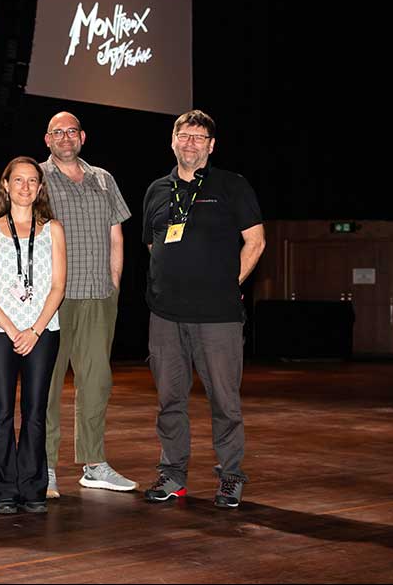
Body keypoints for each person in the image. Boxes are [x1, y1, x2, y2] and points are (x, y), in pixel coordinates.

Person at [141, 109, 265, 508]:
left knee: (224, 402)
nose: (190, 143)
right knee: (169, 401)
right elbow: (152, 244)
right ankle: (172, 475)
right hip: (165, 315)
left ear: (211, 146)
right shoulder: (157, 189)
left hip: (218, 317)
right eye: (184, 135)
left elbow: (256, 241)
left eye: (199, 137)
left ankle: (230, 476)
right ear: (172, 140)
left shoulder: (232, 186)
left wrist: (230, 283)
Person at [41, 111, 136, 497]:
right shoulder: (37, 178)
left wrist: (113, 285)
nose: (65, 137)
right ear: (47, 140)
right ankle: (43, 466)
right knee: (45, 385)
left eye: (71, 131)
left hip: (98, 297)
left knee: (96, 383)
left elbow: (117, 235)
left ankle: (94, 464)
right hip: (53, 299)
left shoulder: (103, 179)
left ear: (83, 137)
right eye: (57, 132)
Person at [0, 157, 66, 514]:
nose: (25, 187)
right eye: (18, 180)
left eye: (32, 181)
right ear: (6, 185)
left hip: (42, 331)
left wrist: (35, 329)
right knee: (1, 412)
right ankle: (3, 489)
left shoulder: (53, 230)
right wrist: (13, 330)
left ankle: (33, 487)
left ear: (40, 188)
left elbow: (58, 286)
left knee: (36, 411)